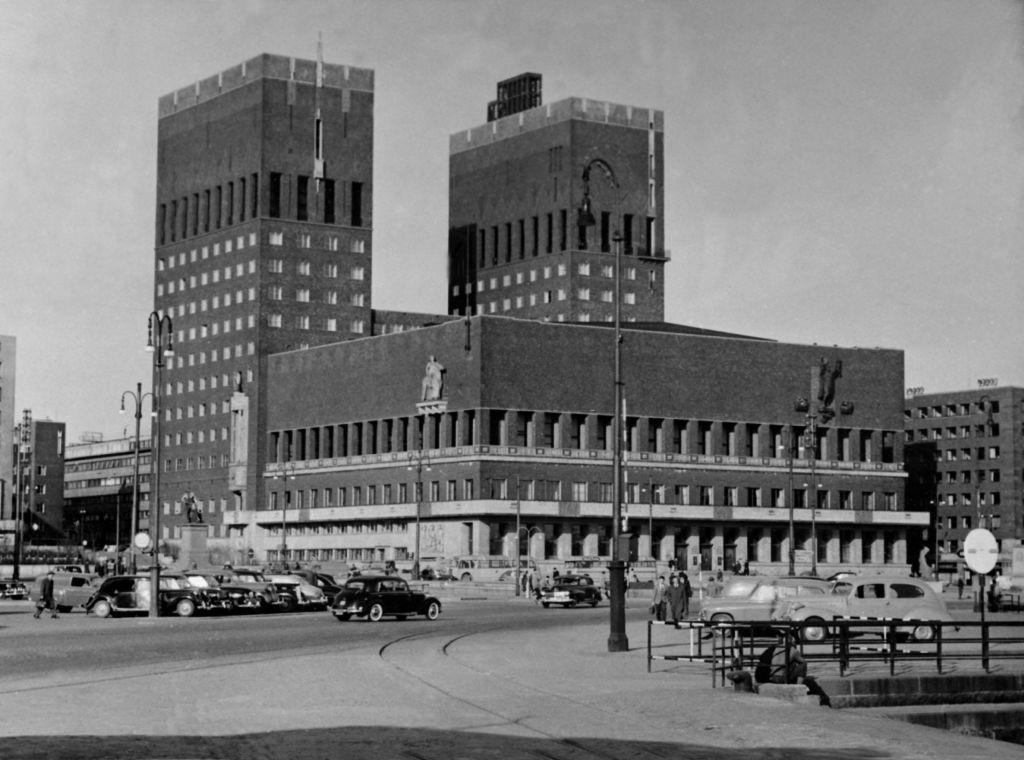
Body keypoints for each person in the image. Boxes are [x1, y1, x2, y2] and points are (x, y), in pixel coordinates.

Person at [728, 631, 831, 707]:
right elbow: (803, 662)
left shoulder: (772, 649)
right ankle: (800, 686)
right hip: (779, 678)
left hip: (765, 677)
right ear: (792, 641)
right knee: (802, 666)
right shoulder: (793, 650)